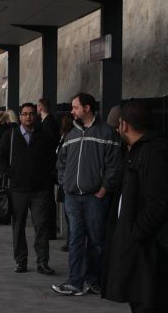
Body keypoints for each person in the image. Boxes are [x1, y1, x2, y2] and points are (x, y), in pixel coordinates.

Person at [102, 101, 168, 312]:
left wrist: (135, 233)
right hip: (144, 253)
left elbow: (159, 203)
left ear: (124, 125)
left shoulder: (156, 152)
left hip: (153, 254)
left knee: (152, 304)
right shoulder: (141, 150)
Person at [52, 93, 122, 296]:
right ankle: (75, 282)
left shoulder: (107, 133)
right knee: (75, 239)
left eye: (75, 107)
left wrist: (103, 189)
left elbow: (114, 165)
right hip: (73, 197)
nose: (72, 111)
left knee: (97, 241)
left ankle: (93, 281)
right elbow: (61, 162)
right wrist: (65, 183)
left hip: (95, 197)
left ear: (87, 108)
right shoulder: (70, 134)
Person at [0, 103, 56, 275]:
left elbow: (52, 158)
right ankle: (20, 261)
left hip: (39, 189)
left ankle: (42, 262)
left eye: (31, 114)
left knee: (41, 226)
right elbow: (0, 156)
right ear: (20, 116)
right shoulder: (11, 135)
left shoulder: (44, 136)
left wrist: (46, 177)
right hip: (18, 189)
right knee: (18, 226)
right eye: (24, 114)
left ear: (36, 116)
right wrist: (9, 173)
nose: (28, 117)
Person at [37, 97, 60, 240]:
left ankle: (50, 230)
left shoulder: (48, 124)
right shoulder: (50, 122)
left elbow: (49, 147)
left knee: (48, 199)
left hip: (48, 168)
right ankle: (50, 228)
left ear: (40, 107)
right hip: (49, 166)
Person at [56, 113, 75, 252]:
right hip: (67, 180)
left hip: (68, 181)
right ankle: (70, 240)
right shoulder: (66, 136)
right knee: (69, 215)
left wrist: (62, 180)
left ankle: (71, 241)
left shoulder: (68, 137)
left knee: (70, 215)